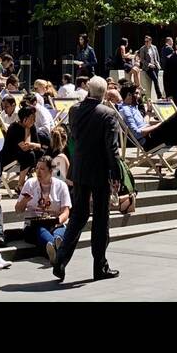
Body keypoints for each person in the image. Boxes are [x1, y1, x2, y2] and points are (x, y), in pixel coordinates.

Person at [51, 77, 119, 283]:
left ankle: (61, 260)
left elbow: (76, 136)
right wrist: (116, 174)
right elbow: (112, 149)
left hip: (80, 170)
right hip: (99, 171)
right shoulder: (108, 114)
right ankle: (100, 266)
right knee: (101, 220)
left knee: (78, 217)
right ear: (104, 93)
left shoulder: (74, 110)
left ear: (88, 90)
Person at [15, 153, 70, 263]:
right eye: (37, 168)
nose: (38, 172)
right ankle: (58, 250)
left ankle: (54, 251)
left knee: (61, 230)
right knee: (41, 230)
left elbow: (66, 211)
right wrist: (25, 200)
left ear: (51, 171)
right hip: (34, 225)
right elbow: (18, 210)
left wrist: (58, 220)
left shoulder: (61, 185)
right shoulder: (30, 184)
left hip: (55, 223)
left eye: (42, 169)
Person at [1, 101, 44, 177]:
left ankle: (32, 174)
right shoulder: (14, 128)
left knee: (40, 152)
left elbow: (39, 145)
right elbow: (24, 148)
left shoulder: (32, 126)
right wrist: (27, 130)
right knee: (29, 155)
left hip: (21, 156)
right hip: (9, 157)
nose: (34, 121)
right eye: (32, 119)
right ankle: (21, 183)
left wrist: (31, 144)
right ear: (24, 119)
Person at [138, 35, 161, 101]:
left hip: (156, 66)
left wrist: (158, 64)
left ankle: (158, 96)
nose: (146, 42)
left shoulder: (154, 47)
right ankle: (159, 96)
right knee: (155, 79)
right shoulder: (142, 49)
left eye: (147, 41)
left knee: (156, 81)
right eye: (145, 41)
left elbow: (157, 56)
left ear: (150, 41)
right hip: (148, 68)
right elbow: (142, 60)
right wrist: (149, 64)